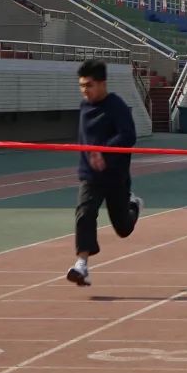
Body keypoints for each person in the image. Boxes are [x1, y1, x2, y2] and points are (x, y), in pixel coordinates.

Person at [67, 60, 142, 286]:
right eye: (81, 86)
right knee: (85, 212)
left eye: (89, 85)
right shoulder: (84, 106)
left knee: (123, 228)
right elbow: (85, 139)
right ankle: (81, 265)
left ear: (102, 84)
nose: (85, 90)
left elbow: (128, 136)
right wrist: (89, 161)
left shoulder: (116, 106)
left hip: (115, 175)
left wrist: (104, 152)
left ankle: (133, 205)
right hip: (90, 175)